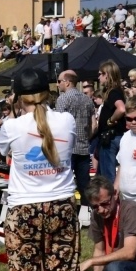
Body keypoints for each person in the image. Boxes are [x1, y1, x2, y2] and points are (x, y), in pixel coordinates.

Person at [0, 68, 80, 271]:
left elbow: (2, 151)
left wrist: (13, 113)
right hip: (61, 204)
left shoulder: (12, 126)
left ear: (18, 97)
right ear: (49, 90)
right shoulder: (66, 120)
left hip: (24, 207)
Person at [55, 70, 95, 203]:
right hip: (83, 147)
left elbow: (58, 124)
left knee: (64, 183)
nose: (57, 84)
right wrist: (86, 137)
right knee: (85, 184)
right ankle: (88, 211)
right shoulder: (87, 99)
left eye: (59, 81)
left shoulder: (63, 99)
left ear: (67, 82)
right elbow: (93, 124)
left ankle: (66, 209)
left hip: (67, 148)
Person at [95, 60, 127, 184]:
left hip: (111, 137)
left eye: (100, 74)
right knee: (102, 175)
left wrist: (110, 120)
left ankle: (111, 202)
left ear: (107, 74)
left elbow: (121, 108)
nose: (98, 77)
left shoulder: (113, 92)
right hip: (111, 137)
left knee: (107, 176)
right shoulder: (114, 91)